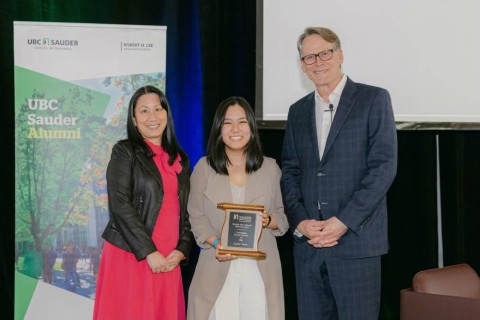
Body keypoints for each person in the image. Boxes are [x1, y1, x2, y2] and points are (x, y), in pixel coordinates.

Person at [280, 27, 398, 320]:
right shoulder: (297, 111)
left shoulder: (373, 99)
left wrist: (344, 221)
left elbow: (383, 167)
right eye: (309, 57)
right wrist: (301, 221)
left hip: (356, 243)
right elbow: (291, 171)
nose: (318, 62)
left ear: (340, 55)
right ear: (302, 65)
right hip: (309, 246)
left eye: (324, 53)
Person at [93, 85, 193, 320]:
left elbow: (187, 212)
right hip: (132, 254)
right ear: (134, 120)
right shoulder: (124, 151)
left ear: (166, 114)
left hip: (168, 260)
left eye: (158, 109)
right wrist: (149, 251)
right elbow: (119, 204)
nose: (152, 117)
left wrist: (181, 250)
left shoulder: (180, 159)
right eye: (144, 111)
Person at [187, 97, 289, 320]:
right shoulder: (204, 167)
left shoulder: (270, 167)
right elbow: (195, 216)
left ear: (252, 128)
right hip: (217, 263)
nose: (235, 129)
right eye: (227, 122)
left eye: (242, 122)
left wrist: (268, 220)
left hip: (261, 268)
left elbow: (282, 215)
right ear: (218, 129)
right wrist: (216, 243)